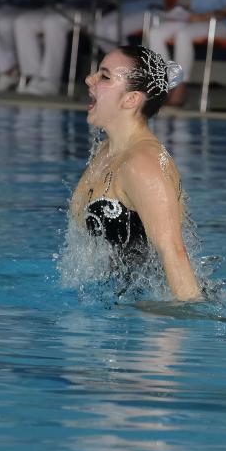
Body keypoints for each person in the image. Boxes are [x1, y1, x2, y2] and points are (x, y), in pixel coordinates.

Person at [69, 45, 201, 301]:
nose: (89, 79)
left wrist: (186, 321)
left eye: (104, 76)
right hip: (116, 306)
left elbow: (174, 252)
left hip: (151, 312)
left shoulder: (143, 163)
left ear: (131, 99)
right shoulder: (107, 150)